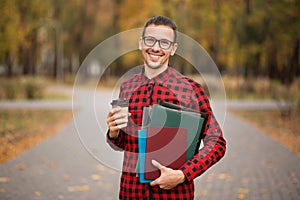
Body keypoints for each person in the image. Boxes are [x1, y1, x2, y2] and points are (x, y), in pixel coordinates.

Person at [106, 16, 226, 199]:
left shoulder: (191, 90)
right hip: (131, 193)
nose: (156, 47)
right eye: (150, 40)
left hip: (174, 195)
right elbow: (124, 143)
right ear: (141, 43)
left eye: (164, 42)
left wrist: (183, 174)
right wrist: (114, 133)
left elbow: (217, 143)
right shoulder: (127, 87)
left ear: (173, 49)